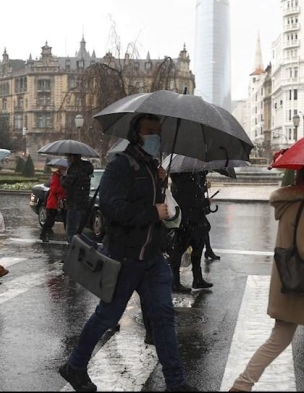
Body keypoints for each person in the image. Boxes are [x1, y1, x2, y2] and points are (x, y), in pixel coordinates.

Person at [59, 113, 194, 392]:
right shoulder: (120, 166)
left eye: (158, 132)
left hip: (153, 259)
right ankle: (75, 366)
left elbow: (159, 210)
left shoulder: (153, 169)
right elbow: (112, 208)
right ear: (136, 134)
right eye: (149, 131)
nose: (155, 137)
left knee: (164, 318)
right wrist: (151, 211)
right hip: (125, 258)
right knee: (107, 316)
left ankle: (176, 383)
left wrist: (161, 185)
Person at [230, 166, 304, 392]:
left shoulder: (295, 202)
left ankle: (241, 386)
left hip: (289, 282)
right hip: (302, 284)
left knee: (279, 339)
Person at [169, 170, 213, 292]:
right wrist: (205, 202)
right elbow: (189, 201)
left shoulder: (189, 177)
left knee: (197, 250)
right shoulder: (184, 179)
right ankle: (175, 282)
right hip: (187, 221)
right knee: (179, 251)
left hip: (195, 220)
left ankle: (197, 279)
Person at [61, 153, 93, 244]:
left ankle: (74, 250)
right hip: (83, 202)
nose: (67, 159)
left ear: (72, 157)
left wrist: (63, 176)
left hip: (73, 203)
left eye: (68, 157)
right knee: (78, 230)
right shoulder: (86, 168)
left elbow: (66, 184)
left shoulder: (74, 168)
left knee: (71, 231)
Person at [40, 162, 67, 243]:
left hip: (60, 202)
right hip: (53, 203)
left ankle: (45, 235)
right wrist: (63, 189)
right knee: (50, 221)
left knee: (64, 219)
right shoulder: (56, 176)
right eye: (64, 169)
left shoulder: (62, 177)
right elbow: (54, 189)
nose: (65, 170)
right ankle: (43, 235)